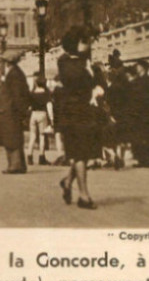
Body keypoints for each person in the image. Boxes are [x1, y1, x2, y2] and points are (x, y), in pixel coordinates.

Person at [56, 26, 101, 209]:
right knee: (80, 153)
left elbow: (97, 82)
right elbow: (75, 80)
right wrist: (90, 71)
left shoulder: (85, 61)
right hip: (72, 111)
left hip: (85, 111)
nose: (88, 45)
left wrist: (98, 85)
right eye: (84, 41)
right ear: (75, 43)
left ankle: (67, 181)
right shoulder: (65, 62)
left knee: (82, 152)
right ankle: (83, 195)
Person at [0, 51, 31, 173]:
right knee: (11, 137)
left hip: (11, 112)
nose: (1, 64)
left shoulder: (14, 74)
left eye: (2, 61)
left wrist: (18, 111)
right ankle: (17, 164)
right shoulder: (14, 73)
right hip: (9, 111)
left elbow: (17, 95)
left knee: (12, 138)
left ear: (8, 62)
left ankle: (15, 165)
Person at [130, 59, 149, 168]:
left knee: (145, 137)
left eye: (138, 66)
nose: (136, 67)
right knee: (145, 137)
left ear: (143, 67)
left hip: (144, 114)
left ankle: (147, 160)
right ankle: (148, 160)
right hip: (144, 114)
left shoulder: (140, 82)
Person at [26, 72, 53, 166]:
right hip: (42, 114)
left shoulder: (32, 93)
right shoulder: (46, 93)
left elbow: (28, 106)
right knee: (42, 136)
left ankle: (29, 156)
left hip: (33, 114)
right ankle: (41, 156)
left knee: (32, 136)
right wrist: (51, 118)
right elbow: (49, 106)